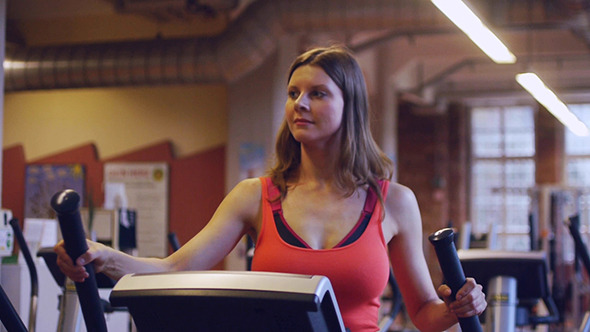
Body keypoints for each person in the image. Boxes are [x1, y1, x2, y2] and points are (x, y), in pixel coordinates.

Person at [55, 45, 486, 331]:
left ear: (349, 104)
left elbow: (425, 313)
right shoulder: (254, 195)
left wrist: (460, 307)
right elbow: (174, 269)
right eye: (293, 92)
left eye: (317, 93)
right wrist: (105, 257)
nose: (299, 104)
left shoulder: (393, 202)